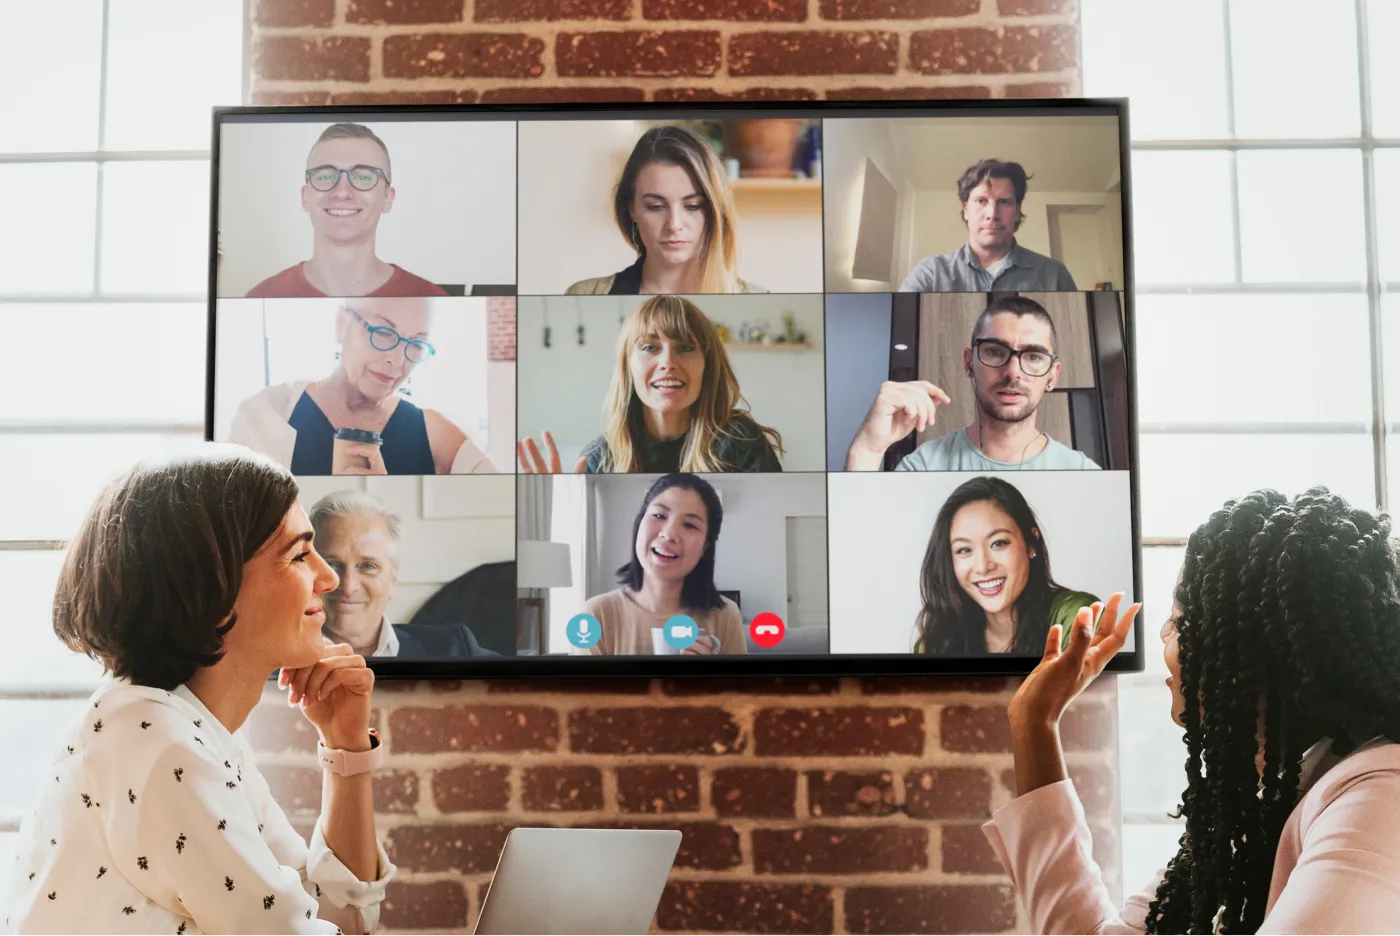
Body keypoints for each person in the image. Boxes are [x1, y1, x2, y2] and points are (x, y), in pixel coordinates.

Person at [1, 445, 395, 933]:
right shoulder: (158, 743)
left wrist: (345, 748)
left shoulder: (192, 730)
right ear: (213, 587)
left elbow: (340, 916)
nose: (329, 577)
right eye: (299, 555)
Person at [991, 487, 1400, 933]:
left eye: (1180, 621)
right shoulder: (1255, 809)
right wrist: (1034, 722)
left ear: (1245, 652)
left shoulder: (1380, 796)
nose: (1165, 636)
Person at [228, 296, 496, 476]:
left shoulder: (434, 432)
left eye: (414, 343)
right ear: (342, 325)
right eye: (382, 332)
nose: (397, 359)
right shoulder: (266, 415)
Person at [518, 295, 783, 474]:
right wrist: (556, 507)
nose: (668, 362)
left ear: (707, 365)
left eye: (686, 347)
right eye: (649, 347)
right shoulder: (598, 459)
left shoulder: (741, 440)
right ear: (628, 366)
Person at [845, 295, 1099, 471]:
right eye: (995, 352)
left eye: (1033, 356)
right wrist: (867, 450)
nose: (1013, 372)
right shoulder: (923, 466)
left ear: (1052, 376)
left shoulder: (1084, 474)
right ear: (969, 362)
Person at [246, 122, 446, 299]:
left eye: (363, 177)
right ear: (305, 196)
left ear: (387, 198)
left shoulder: (432, 301)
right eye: (325, 176)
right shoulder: (261, 299)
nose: (342, 192)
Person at [565, 125, 765, 296]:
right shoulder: (586, 294)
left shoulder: (758, 297)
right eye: (656, 207)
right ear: (632, 209)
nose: (674, 225)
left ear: (715, 210)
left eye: (693, 206)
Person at [914, 476, 1097, 655]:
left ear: (1031, 543)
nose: (983, 566)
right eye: (964, 550)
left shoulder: (1077, 616)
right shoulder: (937, 643)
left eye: (998, 543)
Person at [307, 490, 498, 659]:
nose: (348, 586)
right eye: (331, 564)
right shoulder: (278, 661)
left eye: (367, 566)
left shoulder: (454, 649)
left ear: (392, 580)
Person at [575, 473, 748, 657]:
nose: (669, 533)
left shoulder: (726, 616)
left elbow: (742, 686)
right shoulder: (595, 615)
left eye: (689, 525)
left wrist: (706, 680)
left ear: (705, 546)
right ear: (639, 523)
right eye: (659, 515)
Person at [899, 158, 1076, 293]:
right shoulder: (931, 274)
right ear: (966, 209)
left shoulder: (1055, 276)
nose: (992, 214)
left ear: (1017, 211)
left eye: (1004, 202)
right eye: (981, 201)